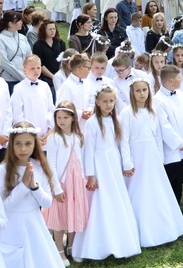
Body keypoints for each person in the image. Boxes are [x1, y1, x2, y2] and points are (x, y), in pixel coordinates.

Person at [71, 85, 141, 261]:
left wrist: (126, 164)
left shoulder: (116, 119)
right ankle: (96, 244)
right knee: (101, 200)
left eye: (111, 101)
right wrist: (91, 174)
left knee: (116, 198)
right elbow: (89, 150)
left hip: (113, 164)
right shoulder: (93, 122)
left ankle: (120, 241)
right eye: (105, 101)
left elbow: (120, 144)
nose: (109, 104)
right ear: (97, 102)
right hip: (100, 165)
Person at [119, 78, 183, 247]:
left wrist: (160, 158)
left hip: (152, 157)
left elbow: (157, 137)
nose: (142, 93)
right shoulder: (127, 113)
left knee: (157, 190)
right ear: (132, 93)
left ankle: (163, 229)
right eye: (138, 90)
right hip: (137, 156)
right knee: (139, 190)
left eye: (144, 90)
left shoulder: (152, 112)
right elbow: (124, 140)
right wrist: (127, 162)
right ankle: (140, 231)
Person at [0, 122, 65, 267]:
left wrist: (34, 187)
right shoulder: (2, 171)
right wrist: (23, 186)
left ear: (35, 145)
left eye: (28, 143)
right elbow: (2, 207)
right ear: (11, 145)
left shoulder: (39, 167)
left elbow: (47, 203)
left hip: (35, 223)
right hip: (12, 226)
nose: (23, 148)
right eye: (18, 144)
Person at [42, 102, 87, 265]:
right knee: (59, 216)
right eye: (58, 117)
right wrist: (56, 187)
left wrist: (84, 178)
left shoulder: (78, 136)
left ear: (73, 118)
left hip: (76, 181)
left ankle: (72, 246)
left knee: (73, 213)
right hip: (62, 180)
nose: (61, 121)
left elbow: (81, 159)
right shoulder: (54, 137)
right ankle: (59, 248)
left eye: (65, 117)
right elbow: (51, 163)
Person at [154, 65, 183, 204]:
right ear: (170, 80)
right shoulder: (158, 100)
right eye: (179, 78)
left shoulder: (182, 96)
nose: (181, 80)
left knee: (180, 180)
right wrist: (179, 143)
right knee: (170, 181)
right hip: (171, 150)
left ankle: (178, 213)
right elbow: (164, 127)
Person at [10, 55, 54, 143]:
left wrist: (50, 129)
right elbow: (17, 114)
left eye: (38, 68)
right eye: (32, 68)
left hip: (46, 133)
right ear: (24, 70)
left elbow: (51, 109)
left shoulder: (45, 86)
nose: (36, 71)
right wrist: (31, 133)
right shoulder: (19, 88)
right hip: (28, 134)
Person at [0, 11, 31, 93]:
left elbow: (29, 56)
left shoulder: (22, 37)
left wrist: (29, 73)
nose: (21, 22)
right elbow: (3, 62)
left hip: (26, 77)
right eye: (18, 21)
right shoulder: (0, 39)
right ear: (10, 24)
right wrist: (22, 76)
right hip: (9, 80)